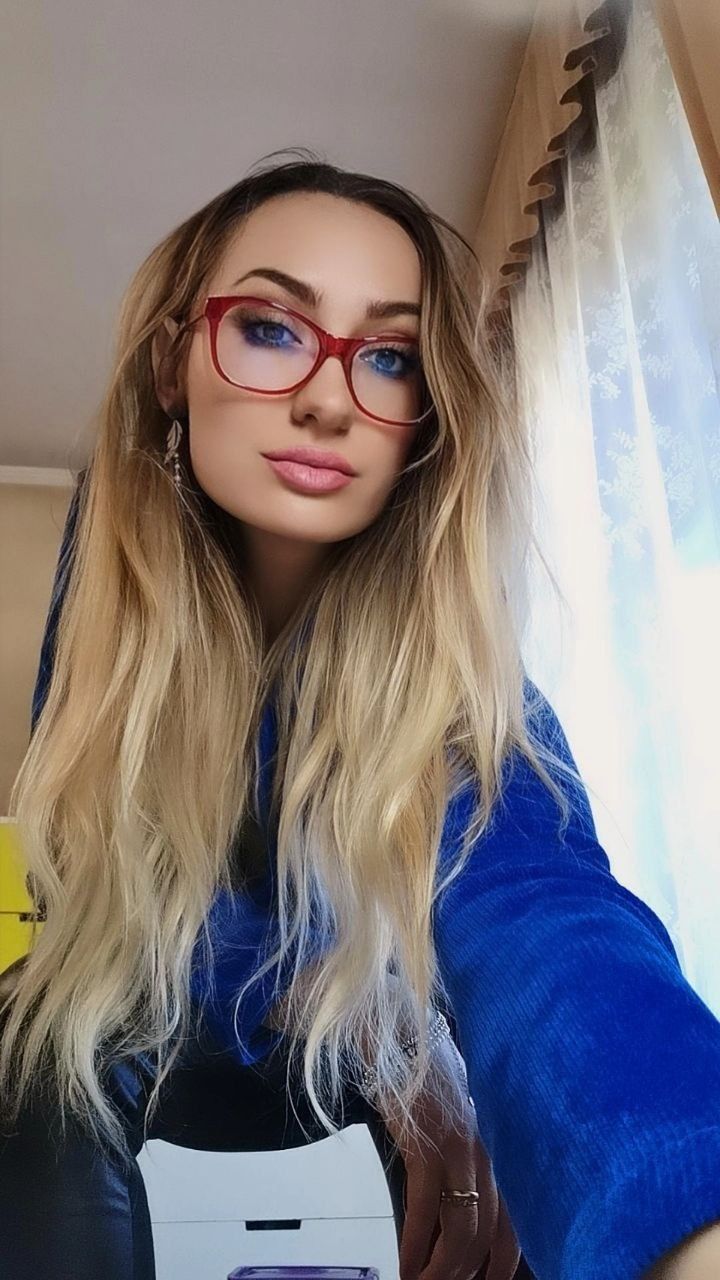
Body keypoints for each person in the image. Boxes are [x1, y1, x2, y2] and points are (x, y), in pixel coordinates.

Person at [1, 150, 720, 1280]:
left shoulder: (455, 685)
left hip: (342, 1049)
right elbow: (90, 872)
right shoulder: (108, 598)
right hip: (130, 1021)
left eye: (390, 357)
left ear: (423, 418)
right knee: (33, 1058)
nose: (330, 398)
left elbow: (548, 919)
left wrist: (679, 1209)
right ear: (172, 363)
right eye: (270, 328)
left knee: (501, 1148)